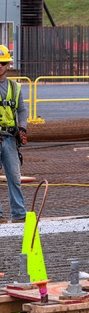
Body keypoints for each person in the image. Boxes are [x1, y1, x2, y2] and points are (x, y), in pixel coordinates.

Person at [0, 45, 27, 224]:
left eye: (2, 63)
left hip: (9, 138)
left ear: (8, 64)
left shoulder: (14, 87)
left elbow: (22, 110)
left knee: (14, 177)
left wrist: (23, 128)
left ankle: (19, 214)